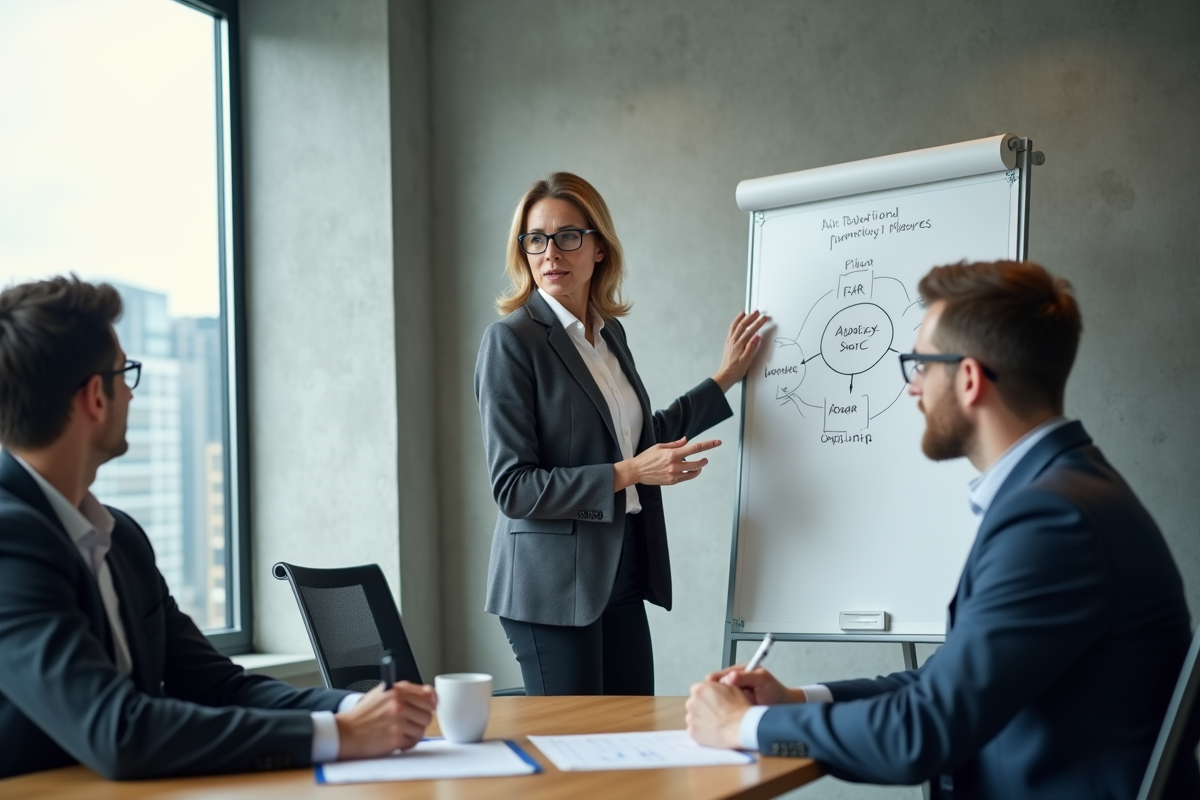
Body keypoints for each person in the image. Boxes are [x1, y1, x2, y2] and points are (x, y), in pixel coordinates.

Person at [686, 261, 1199, 799]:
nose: (913, 389)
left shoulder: (1053, 519)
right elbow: (942, 685)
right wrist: (795, 701)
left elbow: (923, 733)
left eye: (920, 366)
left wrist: (743, 727)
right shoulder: (1061, 492)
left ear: (970, 379)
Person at [0, 276, 437, 780]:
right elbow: (120, 732)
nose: (132, 395)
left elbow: (219, 687)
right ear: (96, 397)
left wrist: (354, 709)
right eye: (125, 374)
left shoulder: (121, 538)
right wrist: (341, 736)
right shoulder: (10, 542)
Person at [475, 172, 766, 696]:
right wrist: (630, 473)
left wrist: (724, 378)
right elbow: (514, 488)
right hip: (552, 586)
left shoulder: (610, 336)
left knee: (635, 732)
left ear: (599, 248)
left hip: (621, 567)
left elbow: (639, 438)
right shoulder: (511, 342)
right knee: (575, 742)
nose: (550, 252)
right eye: (536, 239)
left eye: (567, 236)